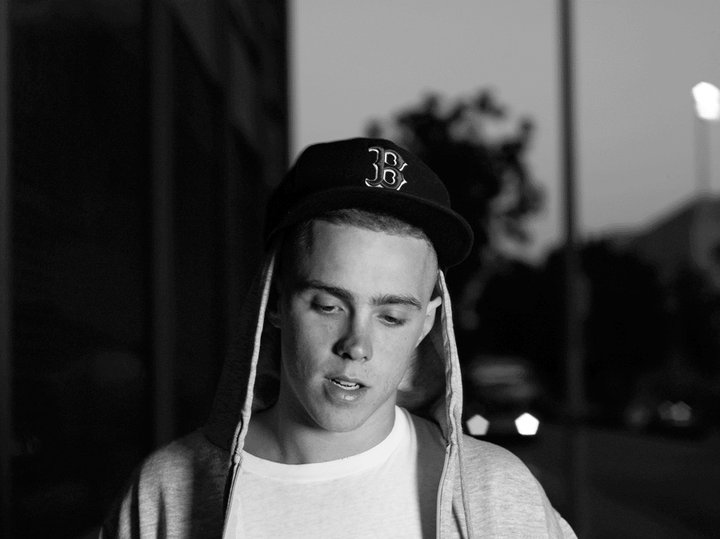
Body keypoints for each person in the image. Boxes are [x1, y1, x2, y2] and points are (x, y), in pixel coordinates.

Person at [102, 138, 576, 538]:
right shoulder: (166, 491)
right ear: (275, 301)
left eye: (391, 316)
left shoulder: (496, 494)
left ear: (426, 324)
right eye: (329, 306)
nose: (356, 346)